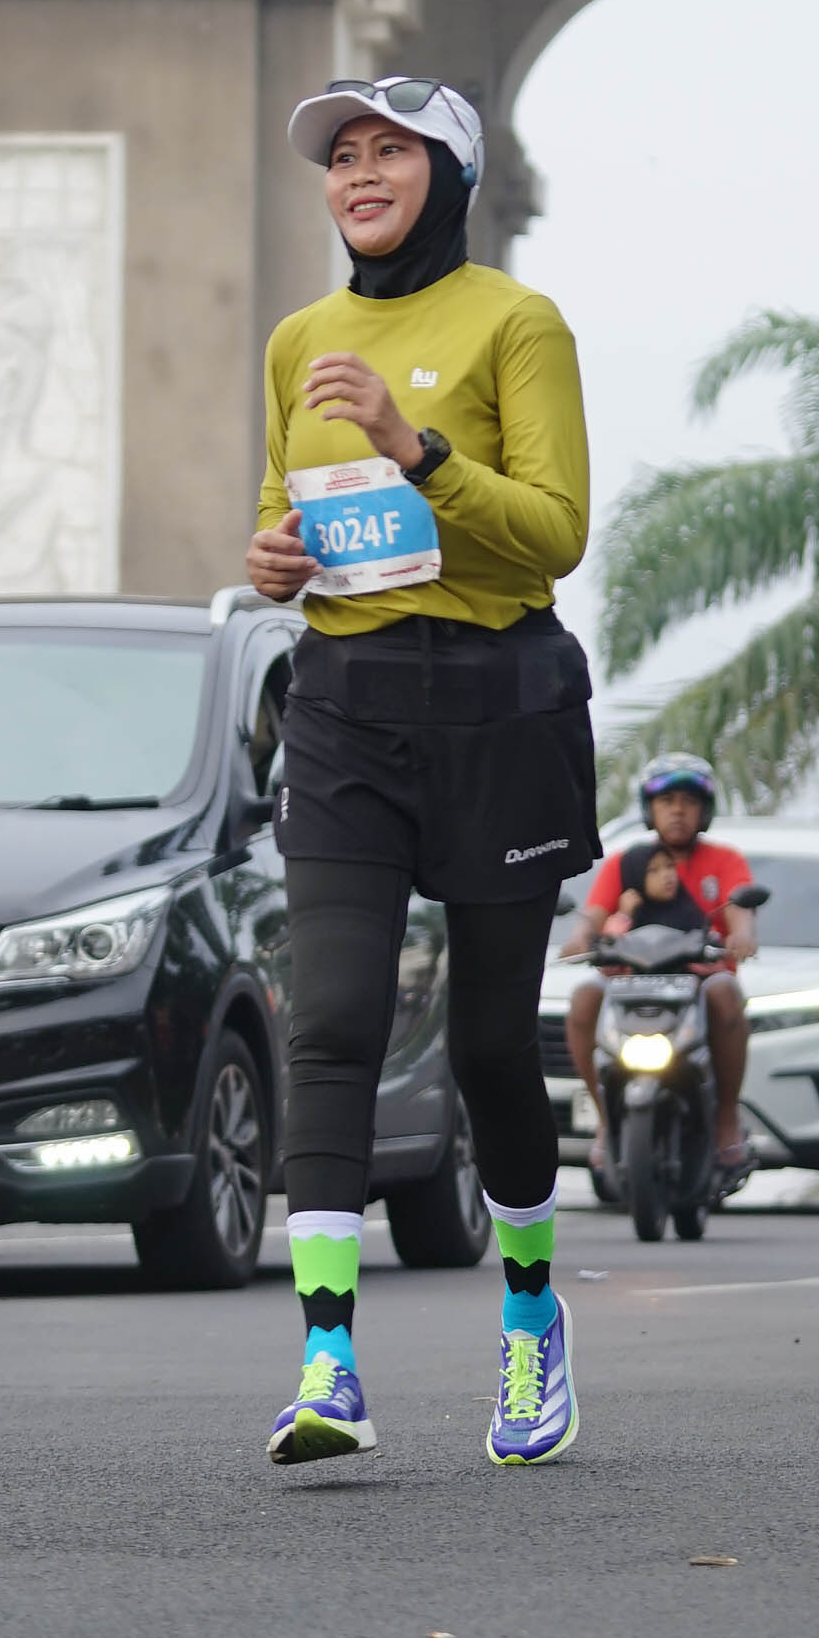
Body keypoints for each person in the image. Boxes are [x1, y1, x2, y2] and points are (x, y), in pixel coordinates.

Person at [246, 74, 599, 1467]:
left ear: (448, 174)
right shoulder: (300, 340)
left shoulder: (517, 322)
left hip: (500, 706)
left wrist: (416, 447)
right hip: (346, 703)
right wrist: (271, 559)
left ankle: (529, 1319)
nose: (356, 173)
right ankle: (327, 1362)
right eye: (340, 155)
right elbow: (283, 515)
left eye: (387, 150)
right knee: (331, 1021)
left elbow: (554, 533)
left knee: (490, 1048)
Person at [558, 756, 760, 1186]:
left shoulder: (724, 860)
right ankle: (605, 1119)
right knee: (584, 996)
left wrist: (742, 935)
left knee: (725, 991)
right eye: (667, 801)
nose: (678, 811)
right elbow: (593, 915)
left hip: (699, 985)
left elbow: (740, 911)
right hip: (633, 985)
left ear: (705, 810)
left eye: (689, 801)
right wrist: (579, 938)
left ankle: (726, 1118)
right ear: (649, 809)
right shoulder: (626, 862)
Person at [606, 839, 720, 951]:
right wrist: (624, 916)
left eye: (669, 866)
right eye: (653, 870)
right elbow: (609, 950)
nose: (667, 875)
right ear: (636, 876)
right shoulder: (630, 917)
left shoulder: (688, 912)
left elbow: (711, 945)